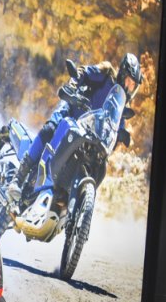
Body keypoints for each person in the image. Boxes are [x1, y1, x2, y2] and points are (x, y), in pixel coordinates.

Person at [8, 52, 142, 207]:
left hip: (88, 138)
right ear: (123, 73)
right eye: (129, 81)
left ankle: (72, 204)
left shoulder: (120, 108)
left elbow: (116, 128)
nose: (130, 87)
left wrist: (121, 135)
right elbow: (83, 73)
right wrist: (73, 85)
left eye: (134, 85)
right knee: (49, 129)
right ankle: (18, 178)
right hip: (71, 114)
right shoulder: (105, 75)